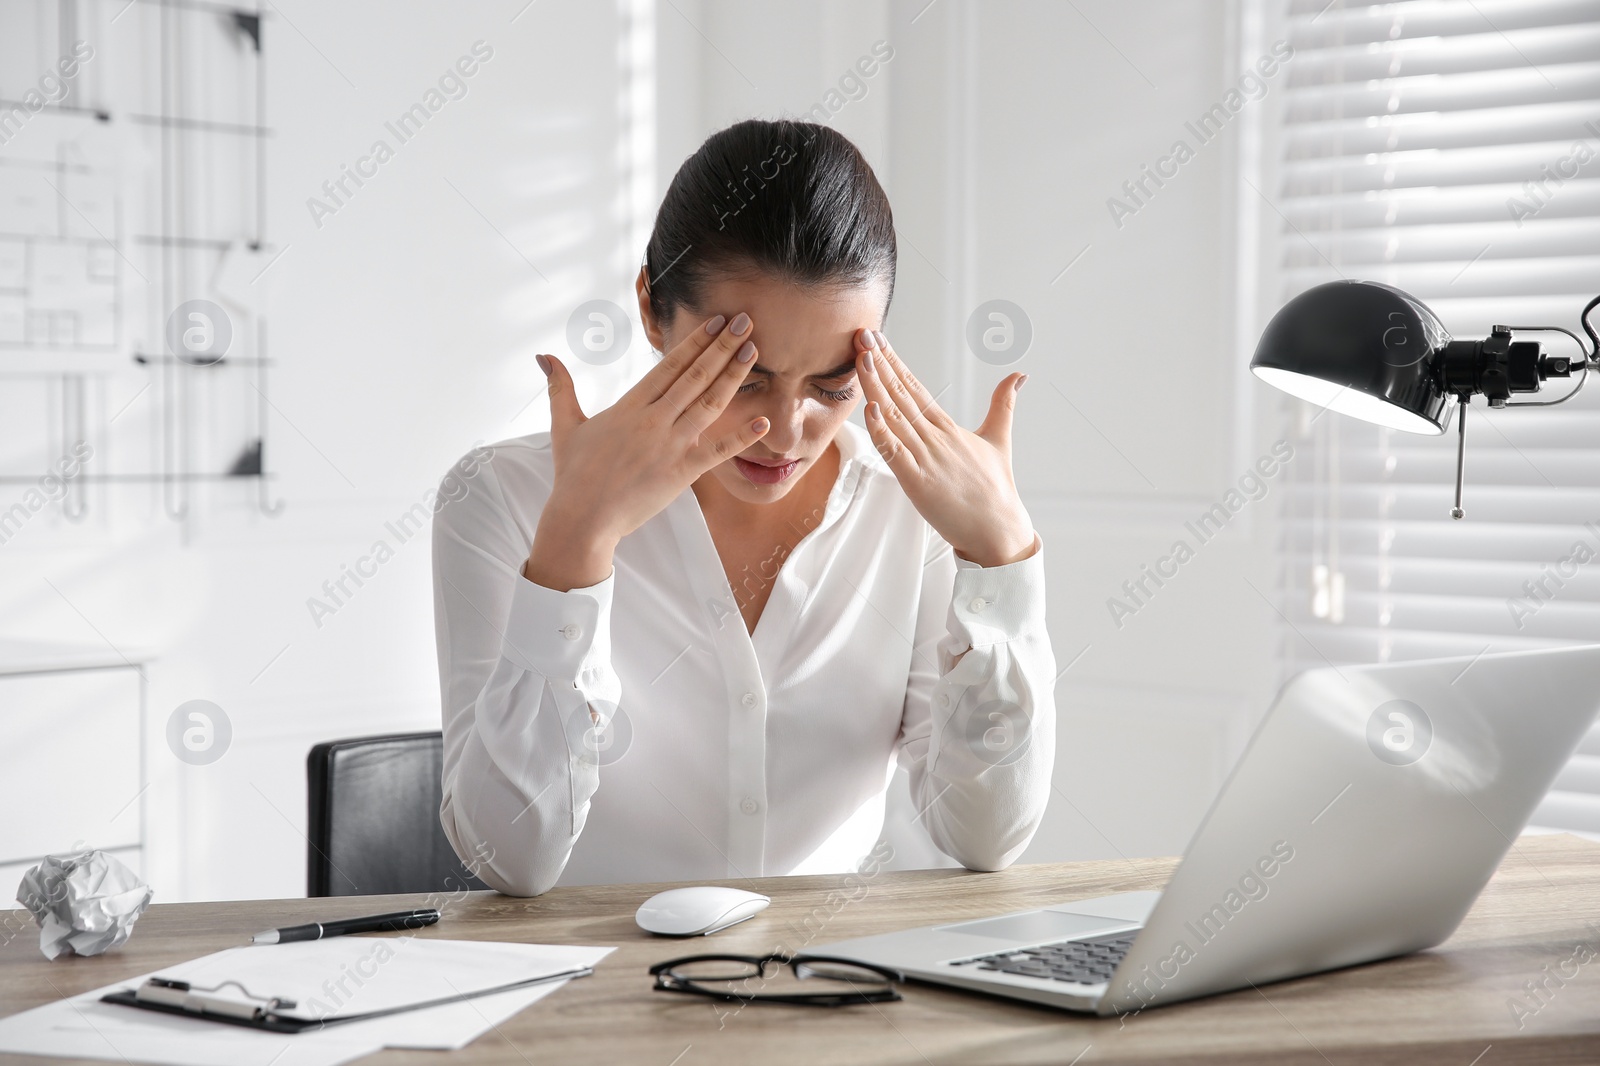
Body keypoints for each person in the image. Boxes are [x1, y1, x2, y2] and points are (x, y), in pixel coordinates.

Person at [432, 118, 1056, 896]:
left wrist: (1000, 565)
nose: (785, 432)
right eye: (746, 375)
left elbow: (985, 837)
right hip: (582, 998)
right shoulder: (501, 498)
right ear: (654, 311)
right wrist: (574, 546)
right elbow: (507, 860)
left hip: (824, 989)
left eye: (834, 385)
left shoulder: (913, 520)